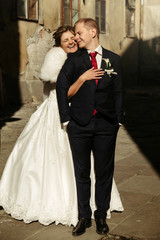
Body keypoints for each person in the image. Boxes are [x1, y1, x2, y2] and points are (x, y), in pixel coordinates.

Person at [0, 25, 123, 227]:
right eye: (66, 40)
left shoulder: (84, 55)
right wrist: (83, 78)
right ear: (59, 43)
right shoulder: (56, 57)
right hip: (57, 112)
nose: (71, 42)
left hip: (83, 114)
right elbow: (63, 91)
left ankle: (94, 206)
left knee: (90, 163)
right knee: (53, 156)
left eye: (73, 38)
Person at [56, 18, 123, 236]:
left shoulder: (114, 59)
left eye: (78, 32)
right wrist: (66, 120)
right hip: (79, 125)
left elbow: (119, 91)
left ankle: (100, 215)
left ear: (92, 31)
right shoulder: (74, 61)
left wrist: (118, 120)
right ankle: (83, 216)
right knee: (82, 173)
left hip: (106, 125)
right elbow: (61, 88)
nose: (76, 37)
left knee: (104, 172)